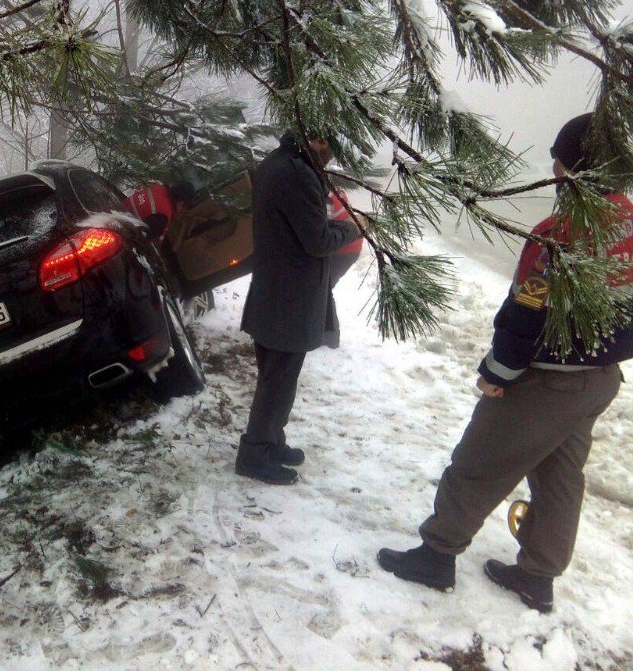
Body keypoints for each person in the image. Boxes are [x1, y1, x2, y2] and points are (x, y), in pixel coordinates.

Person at [377, 113, 633, 613]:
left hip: (545, 382)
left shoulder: (559, 232)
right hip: (598, 381)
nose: (553, 167)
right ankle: (538, 577)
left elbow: (524, 312)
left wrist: (499, 373)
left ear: (572, 166)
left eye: (558, 159)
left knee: (477, 463)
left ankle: (436, 555)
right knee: (560, 478)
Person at [235, 130, 364, 485]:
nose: (332, 157)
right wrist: (352, 229)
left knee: (276, 377)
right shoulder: (297, 174)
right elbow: (318, 240)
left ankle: (272, 440)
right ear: (319, 139)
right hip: (288, 298)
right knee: (277, 381)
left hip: (275, 290)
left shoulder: (278, 163)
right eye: (332, 148)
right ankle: (254, 453)